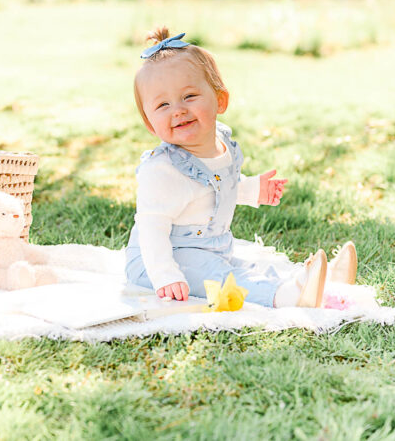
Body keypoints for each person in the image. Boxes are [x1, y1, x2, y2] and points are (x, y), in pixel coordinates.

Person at [124, 28, 358, 308]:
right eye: (163, 104)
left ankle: (324, 280)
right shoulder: (162, 170)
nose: (178, 109)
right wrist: (164, 276)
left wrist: (253, 190)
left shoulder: (220, 144)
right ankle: (289, 297)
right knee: (225, 278)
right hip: (161, 258)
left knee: (254, 267)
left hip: (209, 249)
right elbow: (151, 228)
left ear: (220, 100)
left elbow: (217, 186)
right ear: (150, 125)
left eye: (189, 96)